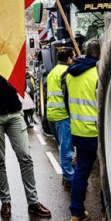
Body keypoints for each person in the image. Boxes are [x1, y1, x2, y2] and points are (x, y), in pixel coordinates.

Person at [0, 26, 51, 219]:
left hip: (14, 112)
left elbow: (21, 83)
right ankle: (5, 202)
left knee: (25, 156)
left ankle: (33, 202)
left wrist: (17, 81)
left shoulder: (10, 56)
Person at [65, 40, 102, 221]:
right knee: (106, 173)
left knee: (81, 171)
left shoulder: (70, 75)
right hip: (98, 131)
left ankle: (77, 213)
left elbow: (66, 102)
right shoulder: (98, 73)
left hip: (79, 130)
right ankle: (107, 216)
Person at [46, 47, 76, 191]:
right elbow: (67, 95)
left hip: (51, 114)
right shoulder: (66, 72)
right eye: (73, 57)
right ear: (69, 59)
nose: (74, 59)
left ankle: (67, 175)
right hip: (62, 115)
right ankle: (69, 179)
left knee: (62, 147)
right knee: (66, 150)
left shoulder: (53, 71)